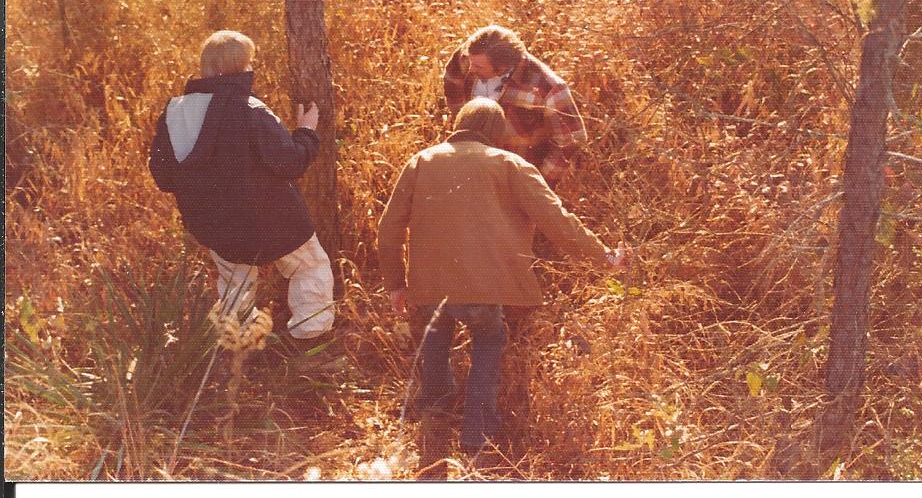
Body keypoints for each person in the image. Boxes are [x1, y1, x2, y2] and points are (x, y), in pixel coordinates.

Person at [377, 98, 629, 462]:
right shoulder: (512, 165)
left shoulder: (422, 161)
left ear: (459, 125)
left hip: (430, 288)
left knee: (434, 338)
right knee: (488, 342)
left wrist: (395, 284)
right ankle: (476, 434)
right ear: (498, 133)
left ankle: (435, 415)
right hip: (487, 289)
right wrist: (603, 256)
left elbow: (389, 228)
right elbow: (557, 221)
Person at [148, 30, 335, 342]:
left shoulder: (174, 113)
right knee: (309, 266)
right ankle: (311, 339)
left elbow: (163, 176)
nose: (252, 69)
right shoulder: (250, 109)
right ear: (239, 67)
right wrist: (306, 131)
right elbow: (290, 162)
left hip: (214, 224)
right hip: (271, 221)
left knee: (235, 281)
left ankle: (241, 344)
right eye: (249, 63)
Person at [443, 24, 587, 188]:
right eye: (470, 62)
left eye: (478, 67)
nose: (470, 69)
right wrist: (461, 119)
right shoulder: (471, 55)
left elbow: (571, 140)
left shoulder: (548, 88)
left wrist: (536, 184)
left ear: (502, 68)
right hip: (470, 165)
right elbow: (452, 78)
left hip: (513, 176)